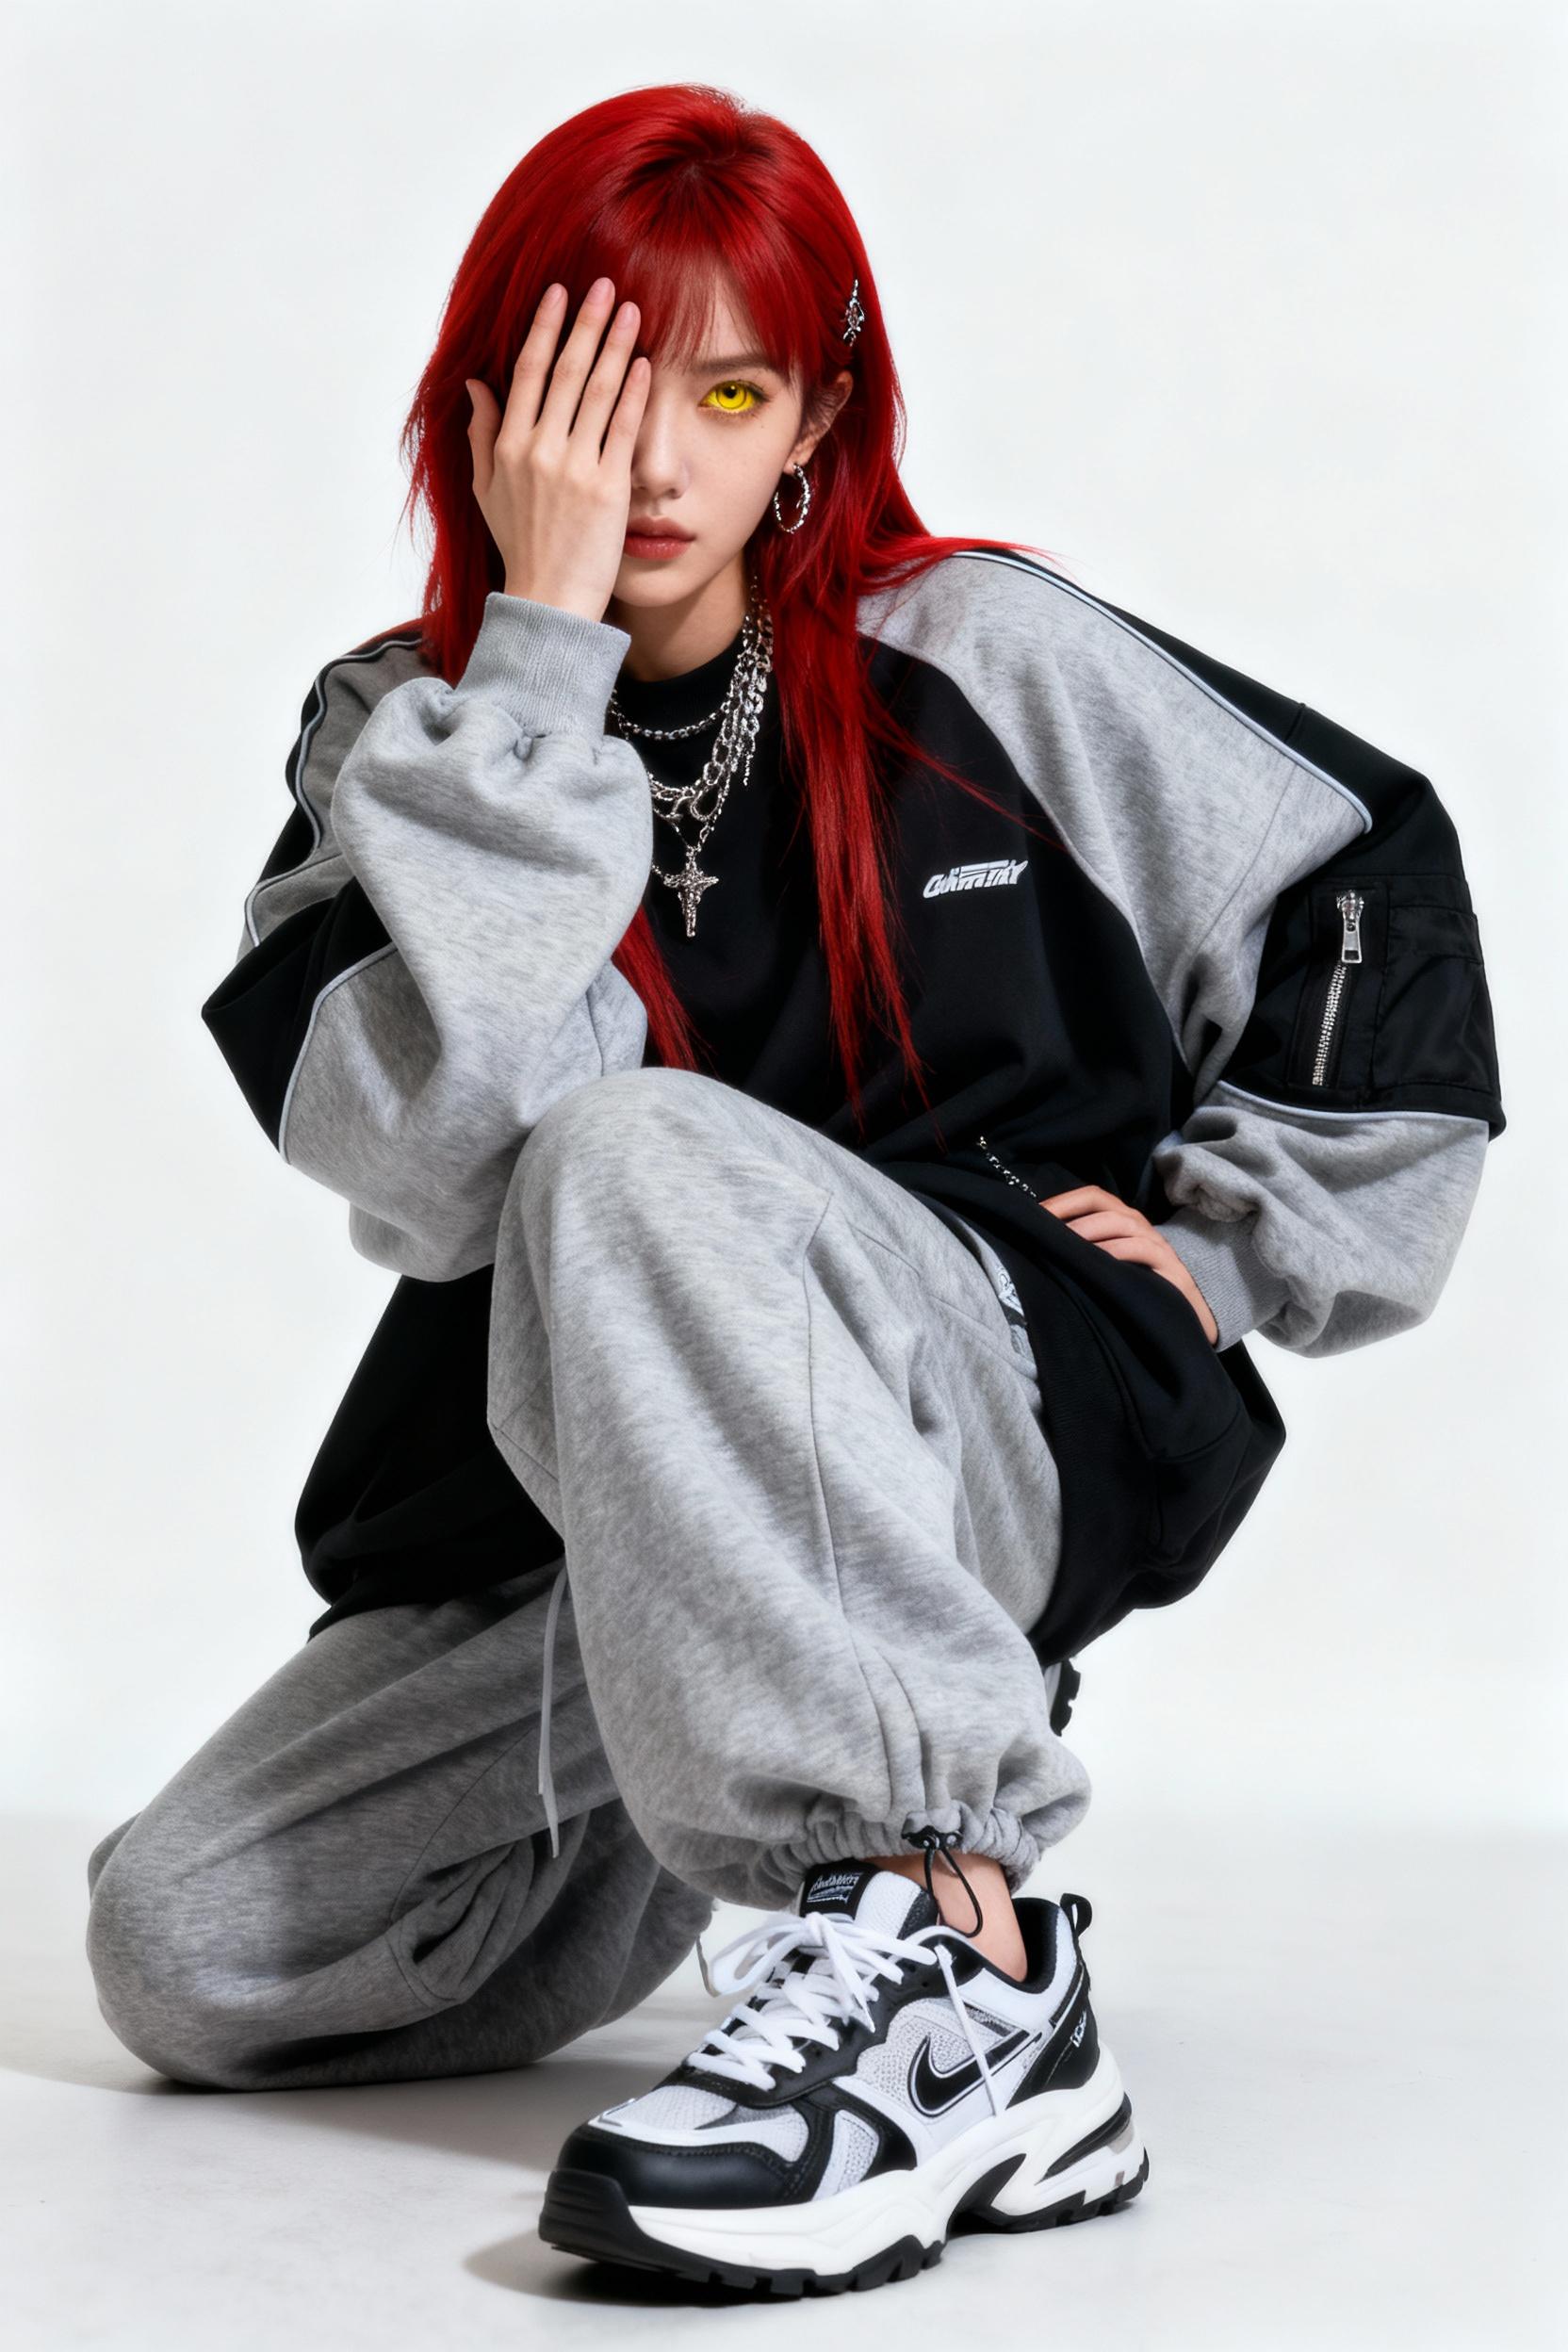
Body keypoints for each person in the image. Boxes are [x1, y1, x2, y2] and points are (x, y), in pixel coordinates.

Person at [82, 83, 1505, 2298]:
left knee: (631, 1144)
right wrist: (537, 670)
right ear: (491, 415)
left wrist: (1238, 1255)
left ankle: (963, 1949)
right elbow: (444, 1167)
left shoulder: (979, 657)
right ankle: (774, 1724)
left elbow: (1356, 876)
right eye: (600, 393)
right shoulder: (401, 741)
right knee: (189, 1950)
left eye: (728, 396)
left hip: (985, 1412)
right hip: (591, 1502)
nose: (656, 464)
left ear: (815, 420)